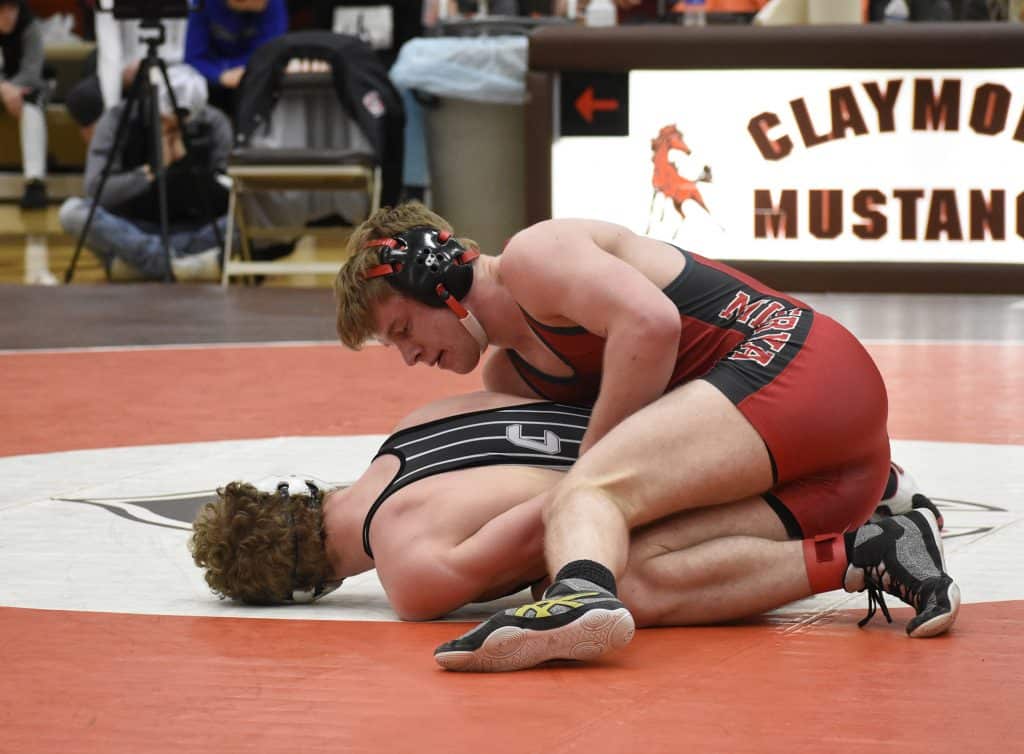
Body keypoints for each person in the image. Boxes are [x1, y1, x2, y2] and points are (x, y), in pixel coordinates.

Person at [331, 203, 956, 671]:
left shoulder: (534, 259)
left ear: (436, 278)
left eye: (403, 329)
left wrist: (589, 474)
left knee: (589, 489)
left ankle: (578, 600)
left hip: (804, 369)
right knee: (622, 574)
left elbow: (651, 324)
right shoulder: (510, 373)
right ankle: (874, 549)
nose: (411, 357)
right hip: (827, 480)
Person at [189, 390, 958, 673]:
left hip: (751, 481)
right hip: (749, 425)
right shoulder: (415, 425)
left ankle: (859, 548)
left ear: (304, 587)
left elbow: (567, 511)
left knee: (612, 580)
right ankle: (873, 510)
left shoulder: (410, 571)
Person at [58, 66, 231, 281]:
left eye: (179, 125)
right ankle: (176, 265)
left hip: (197, 232)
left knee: (253, 213)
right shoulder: (117, 119)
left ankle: (138, 268)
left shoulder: (215, 123)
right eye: (164, 121)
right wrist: (149, 173)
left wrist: (186, 165)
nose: (170, 127)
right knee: (72, 212)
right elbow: (95, 189)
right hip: (134, 231)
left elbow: (230, 196)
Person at [65, 7, 189, 144]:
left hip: (173, 68)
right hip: (125, 71)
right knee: (84, 97)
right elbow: (109, 53)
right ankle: (104, 157)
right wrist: (111, 109)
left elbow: (184, 45)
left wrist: (162, 68)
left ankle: (171, 154)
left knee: (175, 98)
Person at [184, 0, 288, 118]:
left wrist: (246, 70)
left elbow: (271, 52)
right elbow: (193, 57)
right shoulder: (203, 4)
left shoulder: (273, 3)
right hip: (213, 88)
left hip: (257, 83)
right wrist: (220, 75)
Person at [0, 0, 48, 209]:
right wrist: (3, 88)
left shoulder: (30, 25)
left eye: (12, 9)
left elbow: (32, 71)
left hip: (26, 87)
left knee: (32, 106)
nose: (8, 16)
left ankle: (34, 182)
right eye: (2, 10)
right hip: (4, 88)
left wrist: (10, 90)